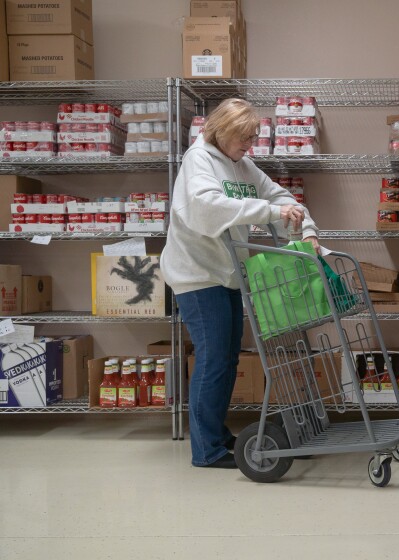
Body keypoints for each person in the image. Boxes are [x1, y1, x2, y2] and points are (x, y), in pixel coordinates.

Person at [161, 98, 319, 469]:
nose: (249, 145)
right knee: (214, 360)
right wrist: (270, 212)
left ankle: (215, 435)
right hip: (197, 274)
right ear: (222, 131)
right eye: (243, 138)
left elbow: (277, 196)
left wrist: (305, 227)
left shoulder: (241, 164)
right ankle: (207, 450)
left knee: (227, 359)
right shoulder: (198, 160)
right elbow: (207, 208)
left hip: (227, 273)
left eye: (252, 138)